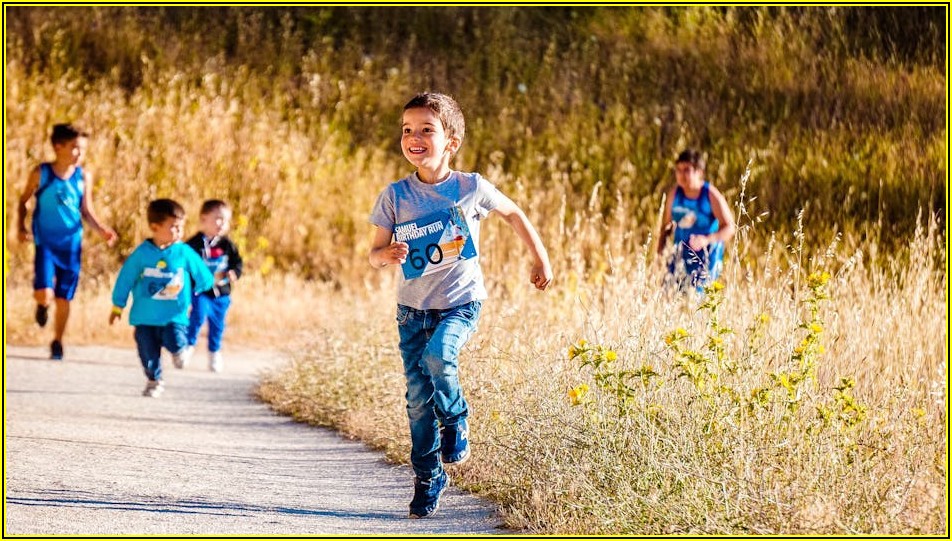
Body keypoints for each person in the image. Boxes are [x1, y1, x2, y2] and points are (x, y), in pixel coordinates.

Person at [369, 93, 553, 519]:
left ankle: (456, 418)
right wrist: (388, 255)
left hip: (460, 304)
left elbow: (513, 214)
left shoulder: (470, 186)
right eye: (407, 130)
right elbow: (374, 253)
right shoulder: (395, 195)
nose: (414, 137)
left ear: (450, 141)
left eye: (426, 130)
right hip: (412, 312)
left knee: (440, 357)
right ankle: (429, 475)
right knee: (417, 400)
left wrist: (540, 257)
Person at [16, 123, 118, 360]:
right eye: (74, 148)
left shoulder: (83, 176)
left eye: (82, 149)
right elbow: (23, 201)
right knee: (44, 293)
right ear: (57, 147)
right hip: (46, 244)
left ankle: (58, 341)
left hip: (71, 246)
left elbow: (86, 210)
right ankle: (42, 306)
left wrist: (102, 229)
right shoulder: (42, 173)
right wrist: (21, 227)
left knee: (64, 297)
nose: (79, 154)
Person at [109, 199, 215, 398]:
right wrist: (117, 306)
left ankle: (179, 350)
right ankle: (154, 380)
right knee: (147, 353)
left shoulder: (183, 251)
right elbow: (125, 279)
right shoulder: (141, 254)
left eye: (181, 227)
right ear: (155, 227)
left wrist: (203, 286)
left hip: (174, 315)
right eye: (174, 227)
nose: (179, 232)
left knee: (175, 340)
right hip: (144, 317)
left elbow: (201, 273)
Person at [657, 148, 736, 292]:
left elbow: (730, 227)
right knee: (669, 295)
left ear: (699, 172)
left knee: (698, 302)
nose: (681, 175)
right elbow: (666, 227)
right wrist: (660, 254)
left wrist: (707, 239)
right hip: (680, 255)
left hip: (706, 258)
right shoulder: (674, 195)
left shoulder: (710, 195)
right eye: (678, 170)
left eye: (687, 170)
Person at [181, 199, 243, 373]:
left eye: (225, 220)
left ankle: (214, 353)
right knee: (197, 317)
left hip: (221, 293)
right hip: (200, 291)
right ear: (203, 219)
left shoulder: (227, 245)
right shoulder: (193, 244)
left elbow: (237, 263)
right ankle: (188, 347)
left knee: (218, 325)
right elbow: (184, 263)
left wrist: (234, 273)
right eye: (217, 219)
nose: (221, 224)